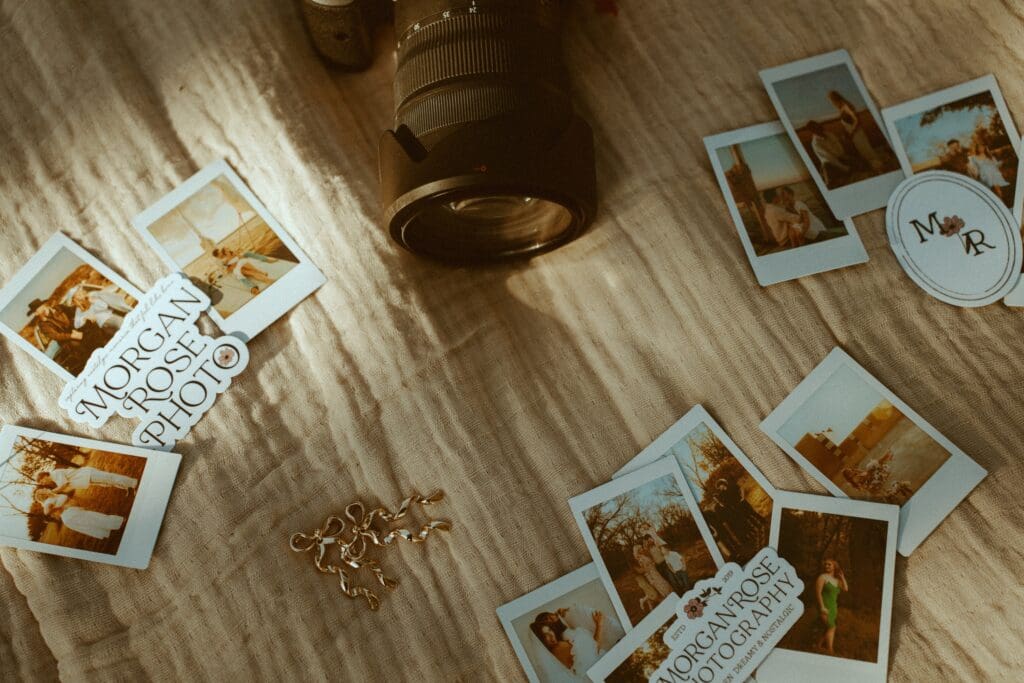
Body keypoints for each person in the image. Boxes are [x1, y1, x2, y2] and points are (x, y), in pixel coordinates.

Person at [827, 90, 884, 172]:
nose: (832, 103)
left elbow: (857, 120)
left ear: (835, 99)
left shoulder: (846, 106)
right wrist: (847, 133)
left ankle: (880, 167)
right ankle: (876, 167)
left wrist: (852, 132)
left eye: (831, 101)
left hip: (857, 133)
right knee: (862, 151)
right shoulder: (841, 108)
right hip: (853, 134)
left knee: (866, 149)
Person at [33, 490, 125, 540]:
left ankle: (113, 529)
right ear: (43, 494)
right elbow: (46, 512)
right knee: (95, 518)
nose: (45, 489)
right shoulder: (48, 502)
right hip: (70, 514)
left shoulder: (53, 496)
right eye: (43, 490)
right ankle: (119, 523)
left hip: (71, 515)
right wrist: (59, 508)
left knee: (92, 522)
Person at [815, 558, 849, 655]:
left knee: (827, 628)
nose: (827, 566)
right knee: (832, 627)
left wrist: (842, 577)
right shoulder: (822, 577)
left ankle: (817, 646)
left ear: (834, 566)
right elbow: (818, 593)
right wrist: (822, 607)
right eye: (825, 564)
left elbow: (846, 589)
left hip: (833, 608)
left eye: (829, 564)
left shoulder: (836, 580)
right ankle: (830, 650)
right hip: (824, 606)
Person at [213, 247, 278, 295]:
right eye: (220, 253)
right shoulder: (221, 262)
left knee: (247, 254)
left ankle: (265, 260)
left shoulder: (227, 254)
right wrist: (234, 264)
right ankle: (254, 287)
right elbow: (227, 270)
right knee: (246, 273)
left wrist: (237, 254)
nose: (221, 253)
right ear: (217, 256)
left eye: (221, 252)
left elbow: (238, 257)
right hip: (236, 268)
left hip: (239, 263)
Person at [806, 120, 852, 187]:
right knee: (828, 170)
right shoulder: (815, 143)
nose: (818, 128)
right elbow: (829, 157)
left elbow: (839, 145)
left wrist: (843, 155)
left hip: (840, 157)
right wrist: (843, 167)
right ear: (812, 131)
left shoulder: (829, 134)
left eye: (818, 126)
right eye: (815, 128)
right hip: (831, 163)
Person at [36, 466, 138, 493]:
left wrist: (52, 491)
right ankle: (128, 486)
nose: (43, 483)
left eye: (42, 481)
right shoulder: (54, 478)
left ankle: (134, 483)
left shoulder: (55, 474)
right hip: (86, 479)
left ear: (44, 476)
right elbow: (65, 487)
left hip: (87, 475)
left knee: (110, 478)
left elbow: (64, 485)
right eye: (41, 483)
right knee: (108, 483)